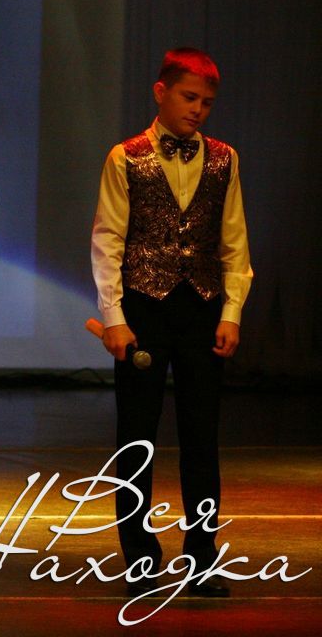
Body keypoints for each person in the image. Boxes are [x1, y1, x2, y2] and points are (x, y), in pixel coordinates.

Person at [90, 46, 252, 598]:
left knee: (201, 437)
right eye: (189, 97)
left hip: (201, 310)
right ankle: (140, 558)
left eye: (206, 102)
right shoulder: (125, 157)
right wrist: (114, 317)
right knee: (136, 439)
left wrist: (231, 311)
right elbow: (108, 240)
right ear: (161, 93)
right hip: (144, 309)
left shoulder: (224, 159)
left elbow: (234, 241)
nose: (198, 109)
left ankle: (202, 557)